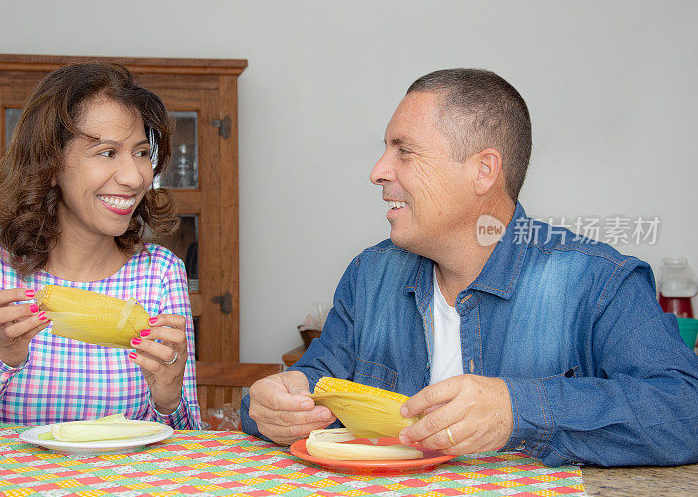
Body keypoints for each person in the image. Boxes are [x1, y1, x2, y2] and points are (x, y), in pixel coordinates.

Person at [242, 69, 698, 466]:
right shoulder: (368, 276)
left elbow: (684, 411)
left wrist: (517, 409)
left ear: (483, 171)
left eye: (404, 150)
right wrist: (276, 401)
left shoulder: (600, 281)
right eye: (385, 149)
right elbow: (319, 381)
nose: (378, 171)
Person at [0, 63, 200, 429]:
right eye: (107, 153)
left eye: (141, 153)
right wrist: (2, 357)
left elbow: (187, 451)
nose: (134, 177)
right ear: (50, 163)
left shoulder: (162, 272)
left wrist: (168, 398)